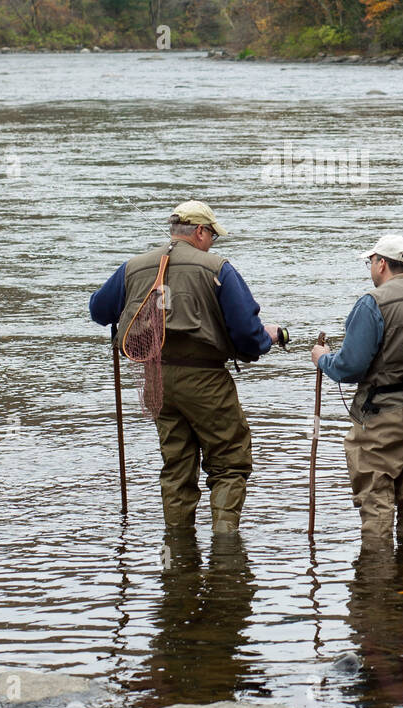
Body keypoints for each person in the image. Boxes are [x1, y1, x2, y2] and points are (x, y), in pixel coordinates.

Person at [90, 200, 279, 534]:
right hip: (205, 380)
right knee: (229, 463)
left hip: (156, 379)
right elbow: (248, 336)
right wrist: (269, 340)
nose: (212, 244)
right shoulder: (217, 268)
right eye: (212, 236)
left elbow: (98, 310)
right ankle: (225, 548)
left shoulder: (133, 266)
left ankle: (177, 550)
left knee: (176, 466)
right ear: (200, 232)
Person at [311, 234, 403, 547]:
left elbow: (350, 367)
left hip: (381, 415)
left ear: (382, 263)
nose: (370, 268)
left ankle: (376, 575)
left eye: (370, 262)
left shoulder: (373, 303)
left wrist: (322, 359)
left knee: (376, 494)